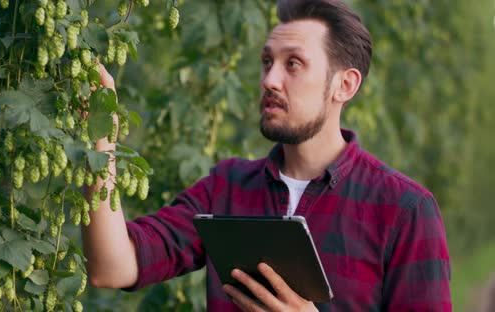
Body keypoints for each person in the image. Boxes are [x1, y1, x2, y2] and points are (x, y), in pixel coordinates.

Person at [82, 0, 452, 311]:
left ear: (345, 85)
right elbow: (113, 266)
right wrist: (102, 137)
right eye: (266, 62)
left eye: (293, 64)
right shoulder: (226, 187)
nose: (270, 80)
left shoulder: (404, 209)